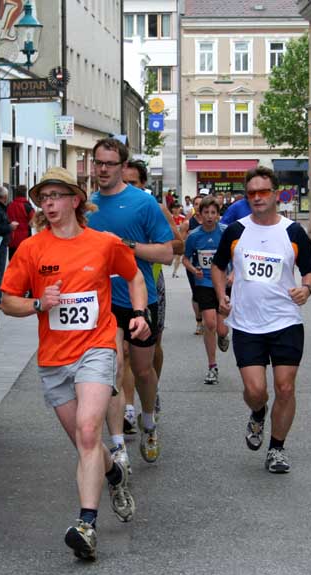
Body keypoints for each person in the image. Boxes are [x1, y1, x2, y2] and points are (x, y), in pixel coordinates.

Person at [0, 167, 144, 560]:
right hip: (54, 359)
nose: (48, 204)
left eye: (56, 196)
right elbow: (7, 300)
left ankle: (86, 525)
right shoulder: (32, 249)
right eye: (43, 197)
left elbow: (134, 276)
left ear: (75, 200)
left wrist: (139, 313)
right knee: (86, 444)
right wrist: (37, 303)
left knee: (88, 430)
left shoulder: (104, 243)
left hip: (97, 347)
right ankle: (114, 472)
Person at [211, 166, 311, 474]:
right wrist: (221, 295)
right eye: (251, 193)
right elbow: (218, 266)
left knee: (285, 388)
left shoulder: (292, 231)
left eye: (263, 192)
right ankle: (258, 412)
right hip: (247, 323)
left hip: (286, 321)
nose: (257, 198)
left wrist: (306, 288)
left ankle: (277, 448)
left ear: (276, 195)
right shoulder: (236, 231)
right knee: (256, 391)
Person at [87, 138, 174, 466]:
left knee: (143, 370)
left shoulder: (143, 203)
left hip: (140, 300)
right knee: (112, 369)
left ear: (123, 166)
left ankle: (148, 421)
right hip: (102, 304)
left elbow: (166, 253)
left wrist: (125, 245)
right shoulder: (86, 206)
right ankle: (118, 445)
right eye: (98, 163)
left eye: (110, 163)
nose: (103, 169)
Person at [120, 160, 183, 436]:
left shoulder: (154, 208)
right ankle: (128, 408)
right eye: (124, 182)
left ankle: (151, 390)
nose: (127, 187)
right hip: (117, 284)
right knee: (123, 351)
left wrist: (141, 246)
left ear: (143, 184)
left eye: (133, 183)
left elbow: (178, 244)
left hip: (151, 284)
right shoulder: (105, 205)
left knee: (151, 348)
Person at [183, 196, 230, 385]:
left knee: (222, 328)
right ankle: (212, 366)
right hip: (204, 283)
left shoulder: (225, 232)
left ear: (218, 215)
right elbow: (185, 258)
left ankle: (223, 336)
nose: (210, 216)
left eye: (213, 213)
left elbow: (237, 255)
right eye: (206, 213)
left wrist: (233, 274)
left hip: (224, 284)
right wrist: (194, 270)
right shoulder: (194, 236)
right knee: (210, 324)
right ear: (200, 215)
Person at [180, 195, 205, 335]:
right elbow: (180, 245)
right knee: (197, 293)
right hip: (193, 263)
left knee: (209, 292)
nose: (199, 206)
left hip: (209, 264)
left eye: (201, 203)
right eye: (196, 204)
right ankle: (199, 321)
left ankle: (209, 319)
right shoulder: (187, 224)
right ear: (193, 207)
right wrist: (189, 238)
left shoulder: (212, 221)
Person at [6, 184, 35, 260]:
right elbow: (32, 223)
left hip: (12, 239)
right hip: (24, 240)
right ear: (25, 193)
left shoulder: (9, 205)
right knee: (24, 261)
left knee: (12, 261)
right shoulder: (28, 207)